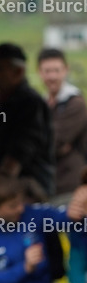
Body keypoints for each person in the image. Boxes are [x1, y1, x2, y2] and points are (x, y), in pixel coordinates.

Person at [0, 43, 54, 196]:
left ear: (18, 71)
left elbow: (23, 146)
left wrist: (2, 180)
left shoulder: (30, 104)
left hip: (23, 192)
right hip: (5, 191)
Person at [38, 48, 87, 195]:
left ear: (65, 70)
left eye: (56, 70)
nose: (52, 76)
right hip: (48, 182)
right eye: (47, 71)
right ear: (39, 72)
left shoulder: (75, 102)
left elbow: (55, 139)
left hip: (70, 182)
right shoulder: (42, 103)